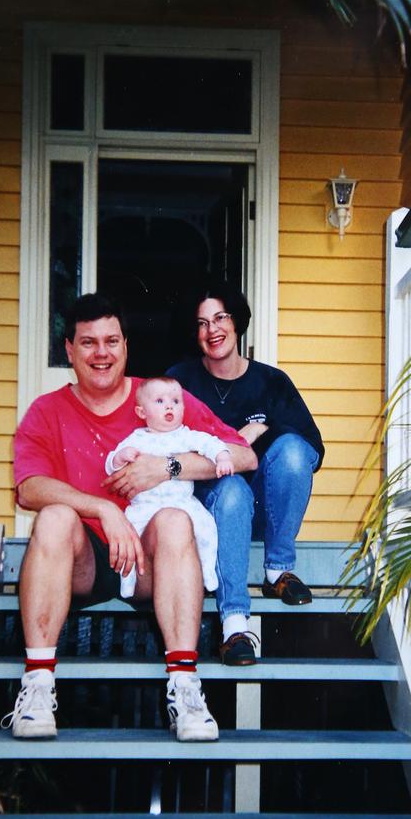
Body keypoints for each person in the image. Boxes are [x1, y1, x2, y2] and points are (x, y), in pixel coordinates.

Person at [4, 293, 257, 743]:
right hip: (84, 560)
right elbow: (29, 488)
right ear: (69, 349)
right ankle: (38, 687)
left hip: (149, 562)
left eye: (111, 341)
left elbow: (242, 455)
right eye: (88, 343)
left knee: (176, 518)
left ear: (125, 345)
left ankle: (186, 687)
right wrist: (101, 507)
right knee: (55, 518)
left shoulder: (158, 398)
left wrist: (169, 466)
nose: (102, 353)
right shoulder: (47, 410)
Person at [168, 283, 324, 667]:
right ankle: (235, 625)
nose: (212, 330)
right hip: (206, 507)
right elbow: (165, 448)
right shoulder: (181, 381)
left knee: (291, 450)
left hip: (264, 511)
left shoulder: (271, 382)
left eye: (220, 317)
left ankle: (278, 570)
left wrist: (263, 430)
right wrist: (235, 452)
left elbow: (312, 450)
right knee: (232, 487)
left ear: (237, 323)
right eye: (202, 323)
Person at [105, 375, 234, 598]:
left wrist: (221, 457)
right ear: (142, 413)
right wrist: (119, 458)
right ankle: (127, 582)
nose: (169, 406)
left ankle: (207, 574)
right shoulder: (136, 439)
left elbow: (209, 443)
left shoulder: (185, 436)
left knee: (207, 528)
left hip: (183, 504)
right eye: (160, 401)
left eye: (175, 401)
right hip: (144, 506)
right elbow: (110, 463)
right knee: (130, 541)